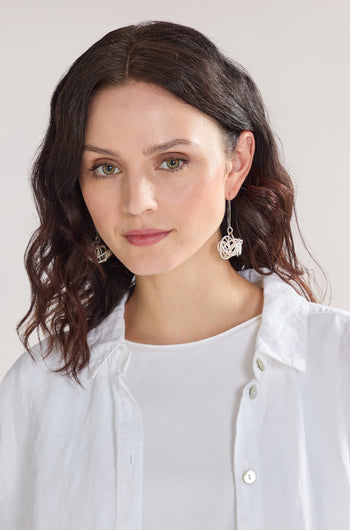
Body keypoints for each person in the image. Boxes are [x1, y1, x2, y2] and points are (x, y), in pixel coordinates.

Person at [0, 19, 349, 530]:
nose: (137, 202)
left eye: (172, 161)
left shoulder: (337, 363)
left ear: (237, 163)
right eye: (105, 168)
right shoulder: (40, 389)